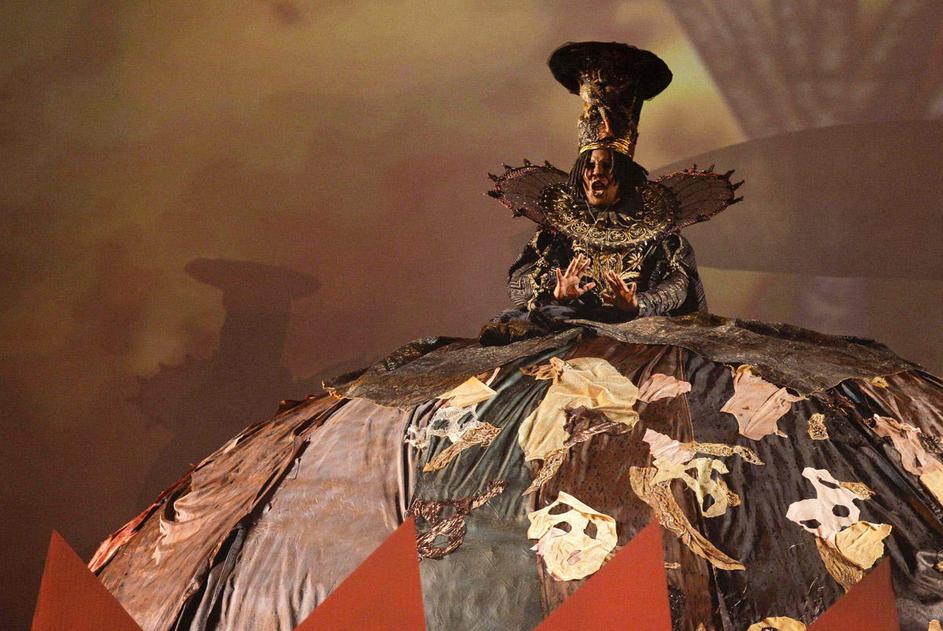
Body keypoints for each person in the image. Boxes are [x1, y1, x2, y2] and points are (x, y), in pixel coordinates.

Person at [480, 42, 730, 345]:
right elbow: (520, 280)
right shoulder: (557, 232)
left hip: (638, 332)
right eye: (589, 166)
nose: (596, 173)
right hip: (565, 325)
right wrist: (555, 292)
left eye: (607, 166)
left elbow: (679, 283)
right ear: (579, 174)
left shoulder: (661, 235)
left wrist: (638, 303)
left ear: (624, 175)